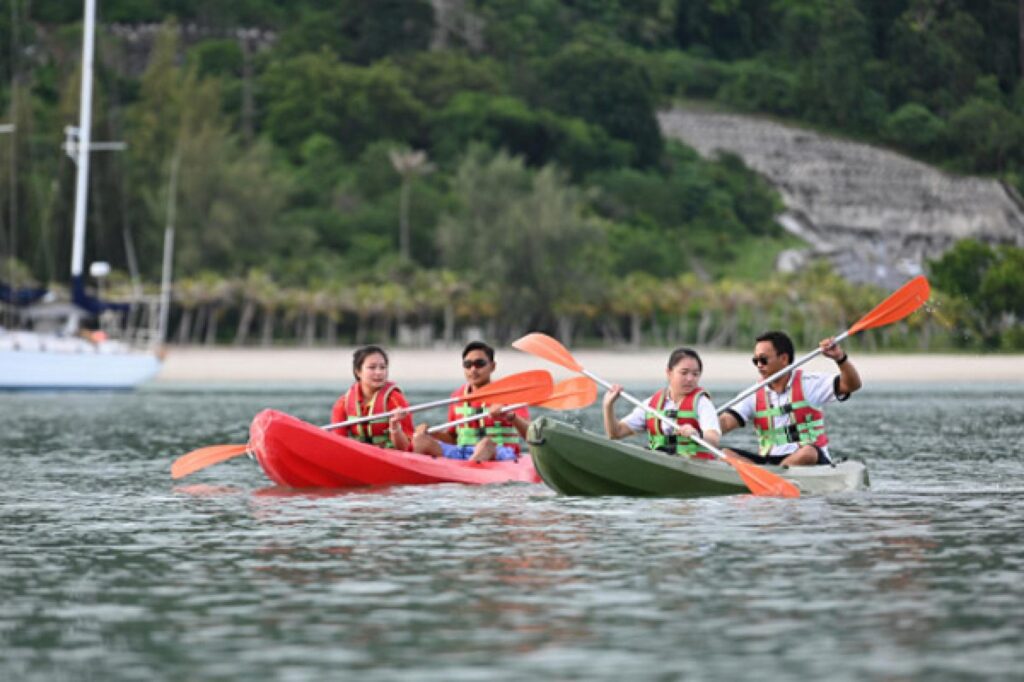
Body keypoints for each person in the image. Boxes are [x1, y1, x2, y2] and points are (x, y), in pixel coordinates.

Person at [718, 330, 862, 466]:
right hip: (769, 463)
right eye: (755, 361)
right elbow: (725, 422)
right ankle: (773, 477)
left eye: (763, 359)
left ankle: (774, 478)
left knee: (808, 452)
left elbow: (851, 385)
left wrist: (840, 358)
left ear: (784, 359)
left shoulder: (810, 383)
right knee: (724, 454)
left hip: (809, 460)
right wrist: (702, 431)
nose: (759, 366)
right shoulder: (753, 393)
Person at [411, 341, 529, 463]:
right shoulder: (457, 396)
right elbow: (453, 438)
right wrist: (433, 433)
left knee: (486, 443)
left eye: (480, 364)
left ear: (493, 366)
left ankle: (468, 471)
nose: (473, 369)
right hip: (462, 452)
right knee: (420, 440)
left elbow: (530, 435)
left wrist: (511, 416)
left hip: (501, 452)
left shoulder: (510, 395)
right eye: (468, 364)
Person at [602, 347, 721, 458]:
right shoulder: (651, 404)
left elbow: (713, 439)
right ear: (669, 373)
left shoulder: (702, 403)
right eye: (684, 373)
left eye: (695, 374)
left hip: (694, 463)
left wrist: (696, 434)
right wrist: (608, 406)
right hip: (661, 457)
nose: (690, 379)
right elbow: (616, 433)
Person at [330, 345, 414, 451]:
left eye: (382, 367)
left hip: (391, 455)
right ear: (358, 372)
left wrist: (394, 426)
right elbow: (338, 444)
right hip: (359, 455)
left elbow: (407, 449)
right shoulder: (342, 403)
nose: (379, 372)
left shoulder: (396, 400)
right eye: (372, 367)